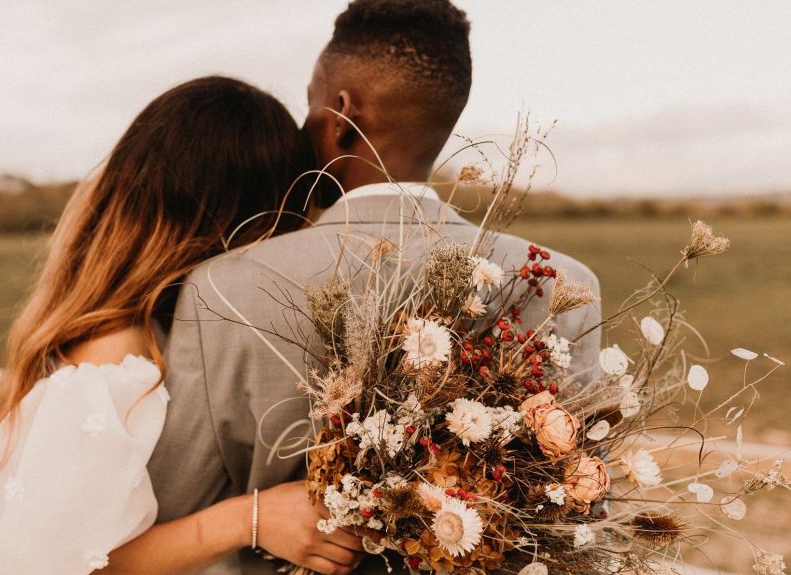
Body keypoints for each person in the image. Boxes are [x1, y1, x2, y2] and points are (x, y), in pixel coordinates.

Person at [146, 1, 602, 574]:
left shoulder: (223, 285)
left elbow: (168, 515)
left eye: (308, 103)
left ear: (339, 115)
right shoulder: (565, 285)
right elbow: (582, 500)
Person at [0, 76, 365, 575]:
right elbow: (53, 567)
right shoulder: (118, 355)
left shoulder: (138, 330)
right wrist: (249, 518)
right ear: (251, 217)